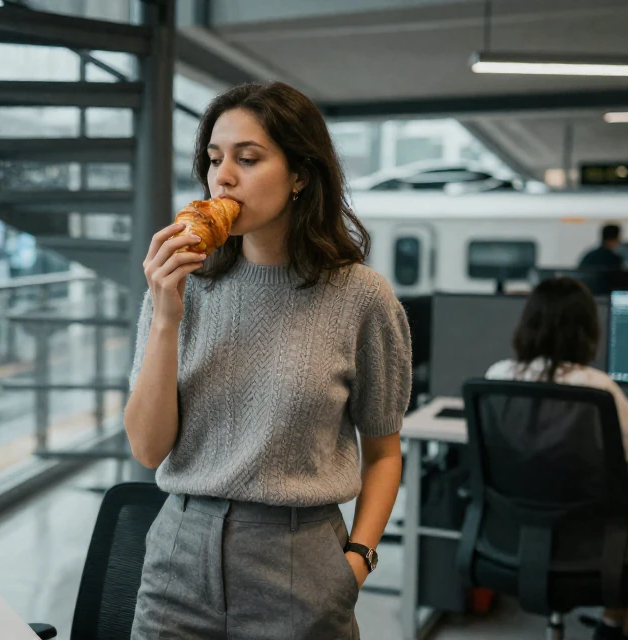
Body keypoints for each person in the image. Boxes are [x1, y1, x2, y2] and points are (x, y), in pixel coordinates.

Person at [125, 81, 411, 639]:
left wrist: (356, 561)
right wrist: (165, 318)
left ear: (301, 174)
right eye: (214, 159)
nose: (223, 176)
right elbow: (147, 448)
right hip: (178, 558)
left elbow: (382, 452)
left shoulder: (360, 298)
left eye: (247, 158)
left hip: (300, 561)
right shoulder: (182, 284)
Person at [485, 277, 628, 640]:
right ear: (588, 330)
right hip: (593, 549)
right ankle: (613, 629)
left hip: (514, 539)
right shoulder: (597, 387)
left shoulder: (498, 376)